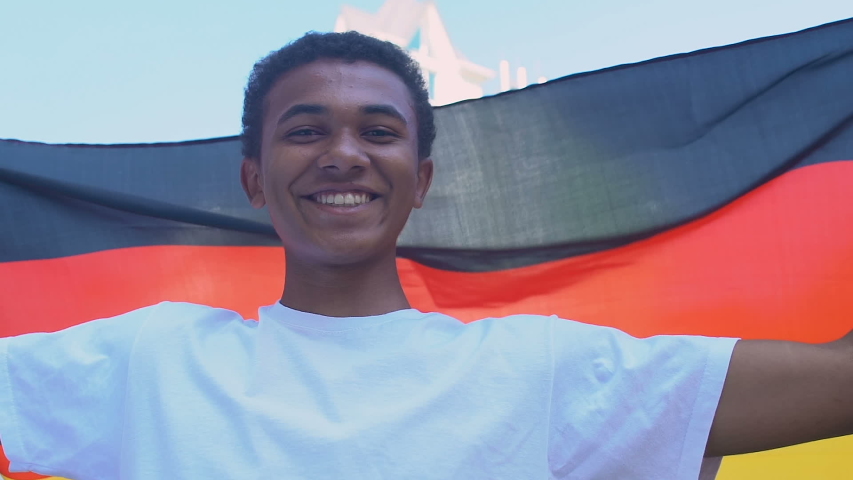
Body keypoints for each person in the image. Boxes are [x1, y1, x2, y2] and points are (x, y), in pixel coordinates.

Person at [0, 31, 851, 480]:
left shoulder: (540, 371)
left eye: (379, 131)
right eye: (305, 131)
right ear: (254, 180)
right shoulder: (146, 363)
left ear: (422, 179)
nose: (344, 153)